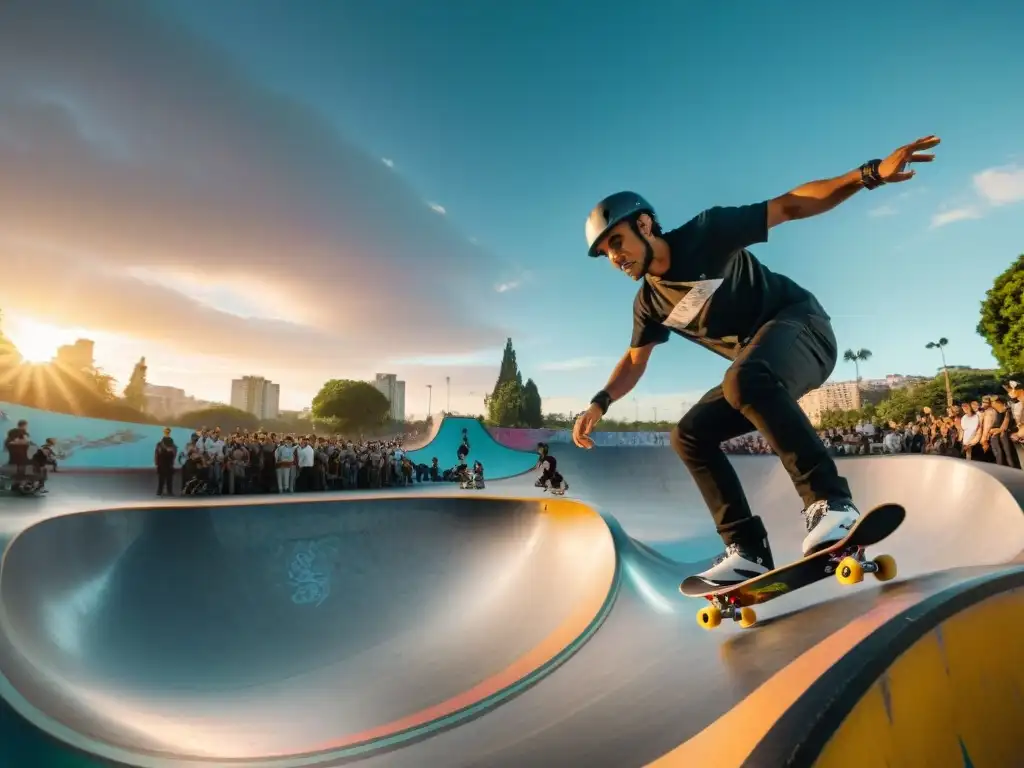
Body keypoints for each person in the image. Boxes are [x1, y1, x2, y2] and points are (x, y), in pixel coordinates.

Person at [572, 136, 940, 588]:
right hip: (758, 372)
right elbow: (634, 360)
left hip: (804, 329)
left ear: (645, 224)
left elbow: (789, 206)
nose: (615, 257)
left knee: (743, 379)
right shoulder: (649, 302)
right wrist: (599, 403)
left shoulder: (706, 232)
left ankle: (832, 504)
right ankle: (746, 550)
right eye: (606, 253)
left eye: (617, 241)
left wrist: (866, 175)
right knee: (688, 435)